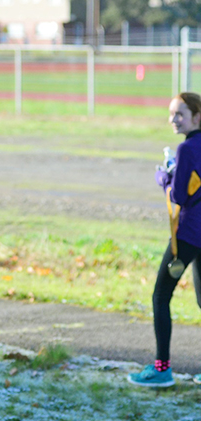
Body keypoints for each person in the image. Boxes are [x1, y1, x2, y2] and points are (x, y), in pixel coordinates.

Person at [128, 92, 201, 387]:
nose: (174, 120)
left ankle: (161, 369)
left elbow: (179, 196)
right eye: (172, 114)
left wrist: (165, 178)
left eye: (180, 114)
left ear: (197, 117)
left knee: (160, 296)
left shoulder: (187, 150)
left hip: (188, 234)